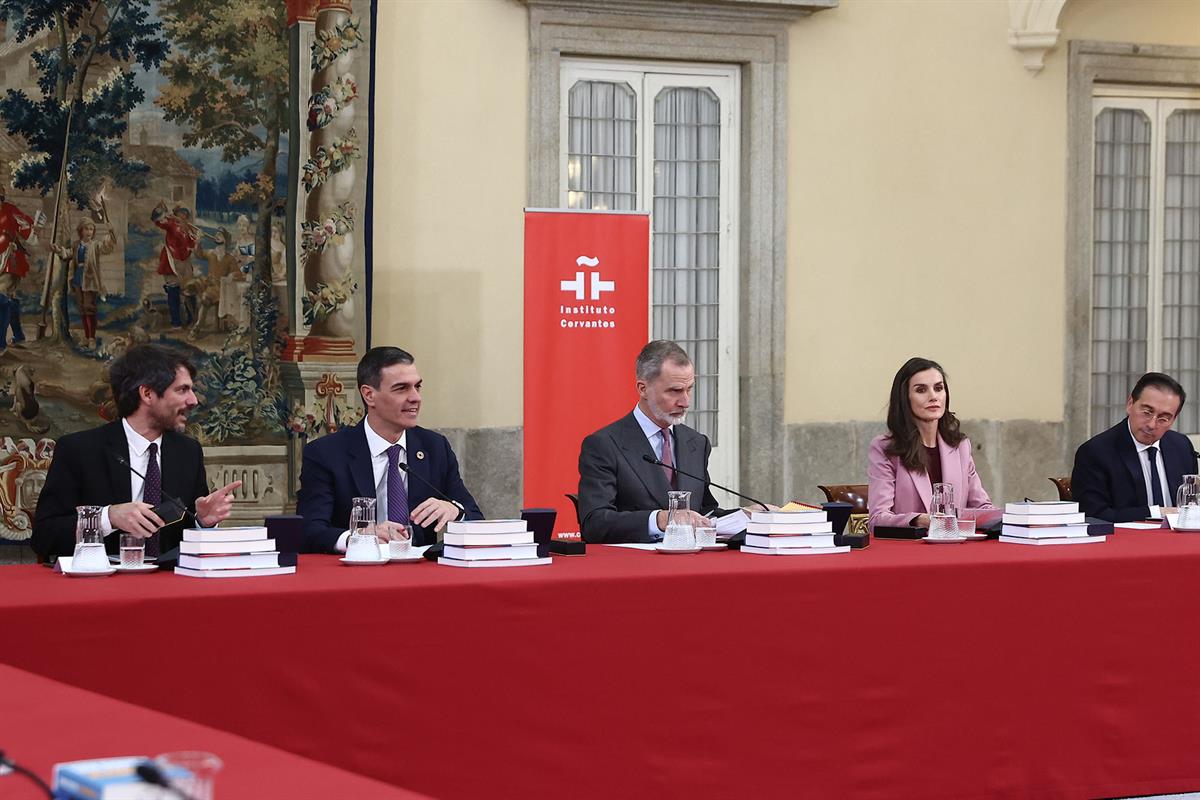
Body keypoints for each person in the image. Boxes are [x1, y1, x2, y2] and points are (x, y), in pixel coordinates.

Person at [32, 344, 241, 560]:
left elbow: (182, 541)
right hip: (101, 587)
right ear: (147, 394)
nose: (193, 400)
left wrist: (201, 522)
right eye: (182, 390)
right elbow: (45, 537)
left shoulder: (188, 452)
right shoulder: (79, 450)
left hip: (170, 587)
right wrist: (108, 517)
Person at [297, 346, 483, 553]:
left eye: (417, 387)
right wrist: (360, 537)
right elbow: (309, 531)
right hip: (357, 574)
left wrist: (456, 511)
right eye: (401, 388)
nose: (415, 398)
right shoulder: (326, 453)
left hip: (420, 573)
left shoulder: (435, 447)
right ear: (369, 395)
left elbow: (475, 517)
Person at [577, 340, 723, 544]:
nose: (686, 401)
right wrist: (660, 519)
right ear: (643, 388)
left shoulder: (696, 443)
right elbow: (595, 523)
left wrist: (750, 516)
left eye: (689, 389)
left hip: (692, 564)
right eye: (674, 391)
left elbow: (704, 512)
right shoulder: (604, 445)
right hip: (635, 568)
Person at [867, 357, 995, 531]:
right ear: (905, 398)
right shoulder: (884, 448)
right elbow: (877, 519)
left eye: (939, 388)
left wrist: (1015, 515)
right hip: (911, 551)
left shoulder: (960, 446)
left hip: (955, 547)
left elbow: (983, 508)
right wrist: (918, 520)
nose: (933, 396)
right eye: (921, 390)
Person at [1071, 372, 1198, 523]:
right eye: (1147, 412)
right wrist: (1157, 512)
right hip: (1126, 543)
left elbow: (1191, 504)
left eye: (1164, 418)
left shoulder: (1181, 446)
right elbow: (1093, 515)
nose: (1152, 424)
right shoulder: (1096, 452)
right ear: (1130, 403)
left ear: (1174, 419)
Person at [50, 218, 115, 348]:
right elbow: (68, 254)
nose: (89, 232)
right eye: (86, 229)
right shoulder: (76, 244)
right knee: (82, 310)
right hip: (77, 279)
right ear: (81, 231)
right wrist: (58, 250)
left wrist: (111, 232)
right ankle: (86, 337)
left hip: (90, 281)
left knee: (89, 308)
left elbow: (107, 247)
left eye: (91, 229)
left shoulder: (95, 245)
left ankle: (92, 338)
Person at [0, 184, 41, 350]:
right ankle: (18, 334)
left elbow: (27, 229)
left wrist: (32, 231)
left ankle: (1, 342)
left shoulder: (11, 211)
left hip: (10, 260)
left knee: (1, 299)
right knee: (8, 299)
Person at [152, 202, 199, 328]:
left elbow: (192, 245)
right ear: (176, 214)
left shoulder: (188, 229)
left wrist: (197, 239)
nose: (183, 216)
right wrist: (159, 211)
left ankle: (192, 320)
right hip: (172, 262)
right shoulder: (171, 224)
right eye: (180, 214)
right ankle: (176, 322)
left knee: (190, 290)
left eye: (185, 214)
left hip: (185, 263)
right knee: (173, 292)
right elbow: (157, 221)